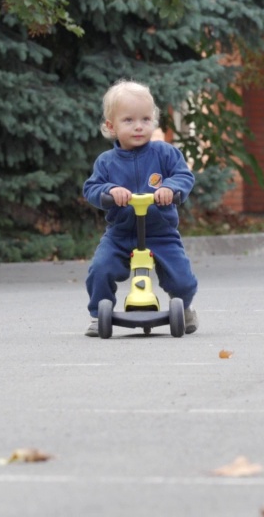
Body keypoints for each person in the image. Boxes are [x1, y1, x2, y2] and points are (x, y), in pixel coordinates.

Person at [82, 80, 198, 337]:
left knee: (182, 277)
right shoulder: (106, 162)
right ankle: (97, 314)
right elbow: (91, 188)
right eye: (129, 120)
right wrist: (110, 191)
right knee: (100, 269)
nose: (138, 126)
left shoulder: (164, 153)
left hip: (160, 232)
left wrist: (170, 188)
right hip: (121, 233)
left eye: (145, 119)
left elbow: (183, 176)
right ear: (111, 126)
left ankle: (185, 307)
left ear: (153, 121)